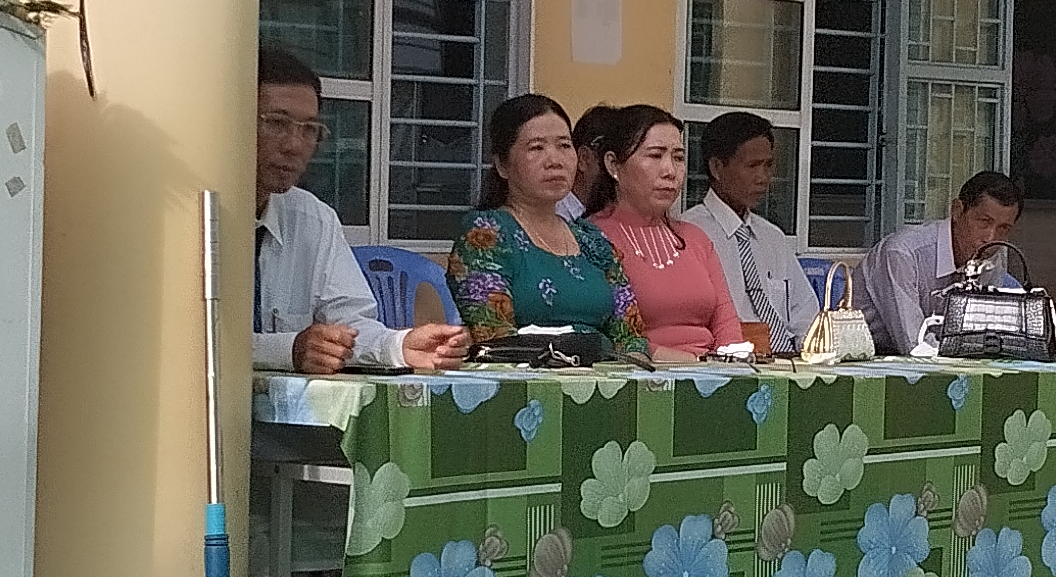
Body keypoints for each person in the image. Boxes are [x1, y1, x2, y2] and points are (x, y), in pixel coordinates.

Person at [253, 51, 467, 373]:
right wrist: (288, 350)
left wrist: (399, 346)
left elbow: (351, 325)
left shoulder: (314, 219)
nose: (294, 145)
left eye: (309, 129)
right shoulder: (194, 216)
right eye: (276, 124)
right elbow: (192, 343)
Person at [450, 95, 652, 357]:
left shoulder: (591, 239)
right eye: (536, 148)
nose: (555, 160)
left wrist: (633, 364)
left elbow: (631, 334)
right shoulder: (486, 233)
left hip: (608, 374)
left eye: (564, 146)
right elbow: (496, 340)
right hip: (529, 374)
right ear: (502, 165)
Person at [582, 105, 742, 362]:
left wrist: (732, 365)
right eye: (655, 155)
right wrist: (686, 362)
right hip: (639, 374)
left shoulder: (695, 238)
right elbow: (607, 335)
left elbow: (727, 324)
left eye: (678, 158)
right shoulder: (590, 238)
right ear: (613, 164)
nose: (670, 171)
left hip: (714, 372)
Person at [683, 113, 823, 345]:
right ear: (717, 168)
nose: (763, 178)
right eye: (752, 166)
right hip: (726, 357)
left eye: (768, 165)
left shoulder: (772, 237)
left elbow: (805, 314)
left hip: (787, 358)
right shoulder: (689, 234)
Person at [860, 171, 1026, 354]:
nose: (991, 237)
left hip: (937, 358)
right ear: (957, 211)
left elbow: (983, 335)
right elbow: (915, 346)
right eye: (984, 222)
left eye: (1003, 228)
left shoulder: (990, 258)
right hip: (869, 358)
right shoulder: (902, 253)